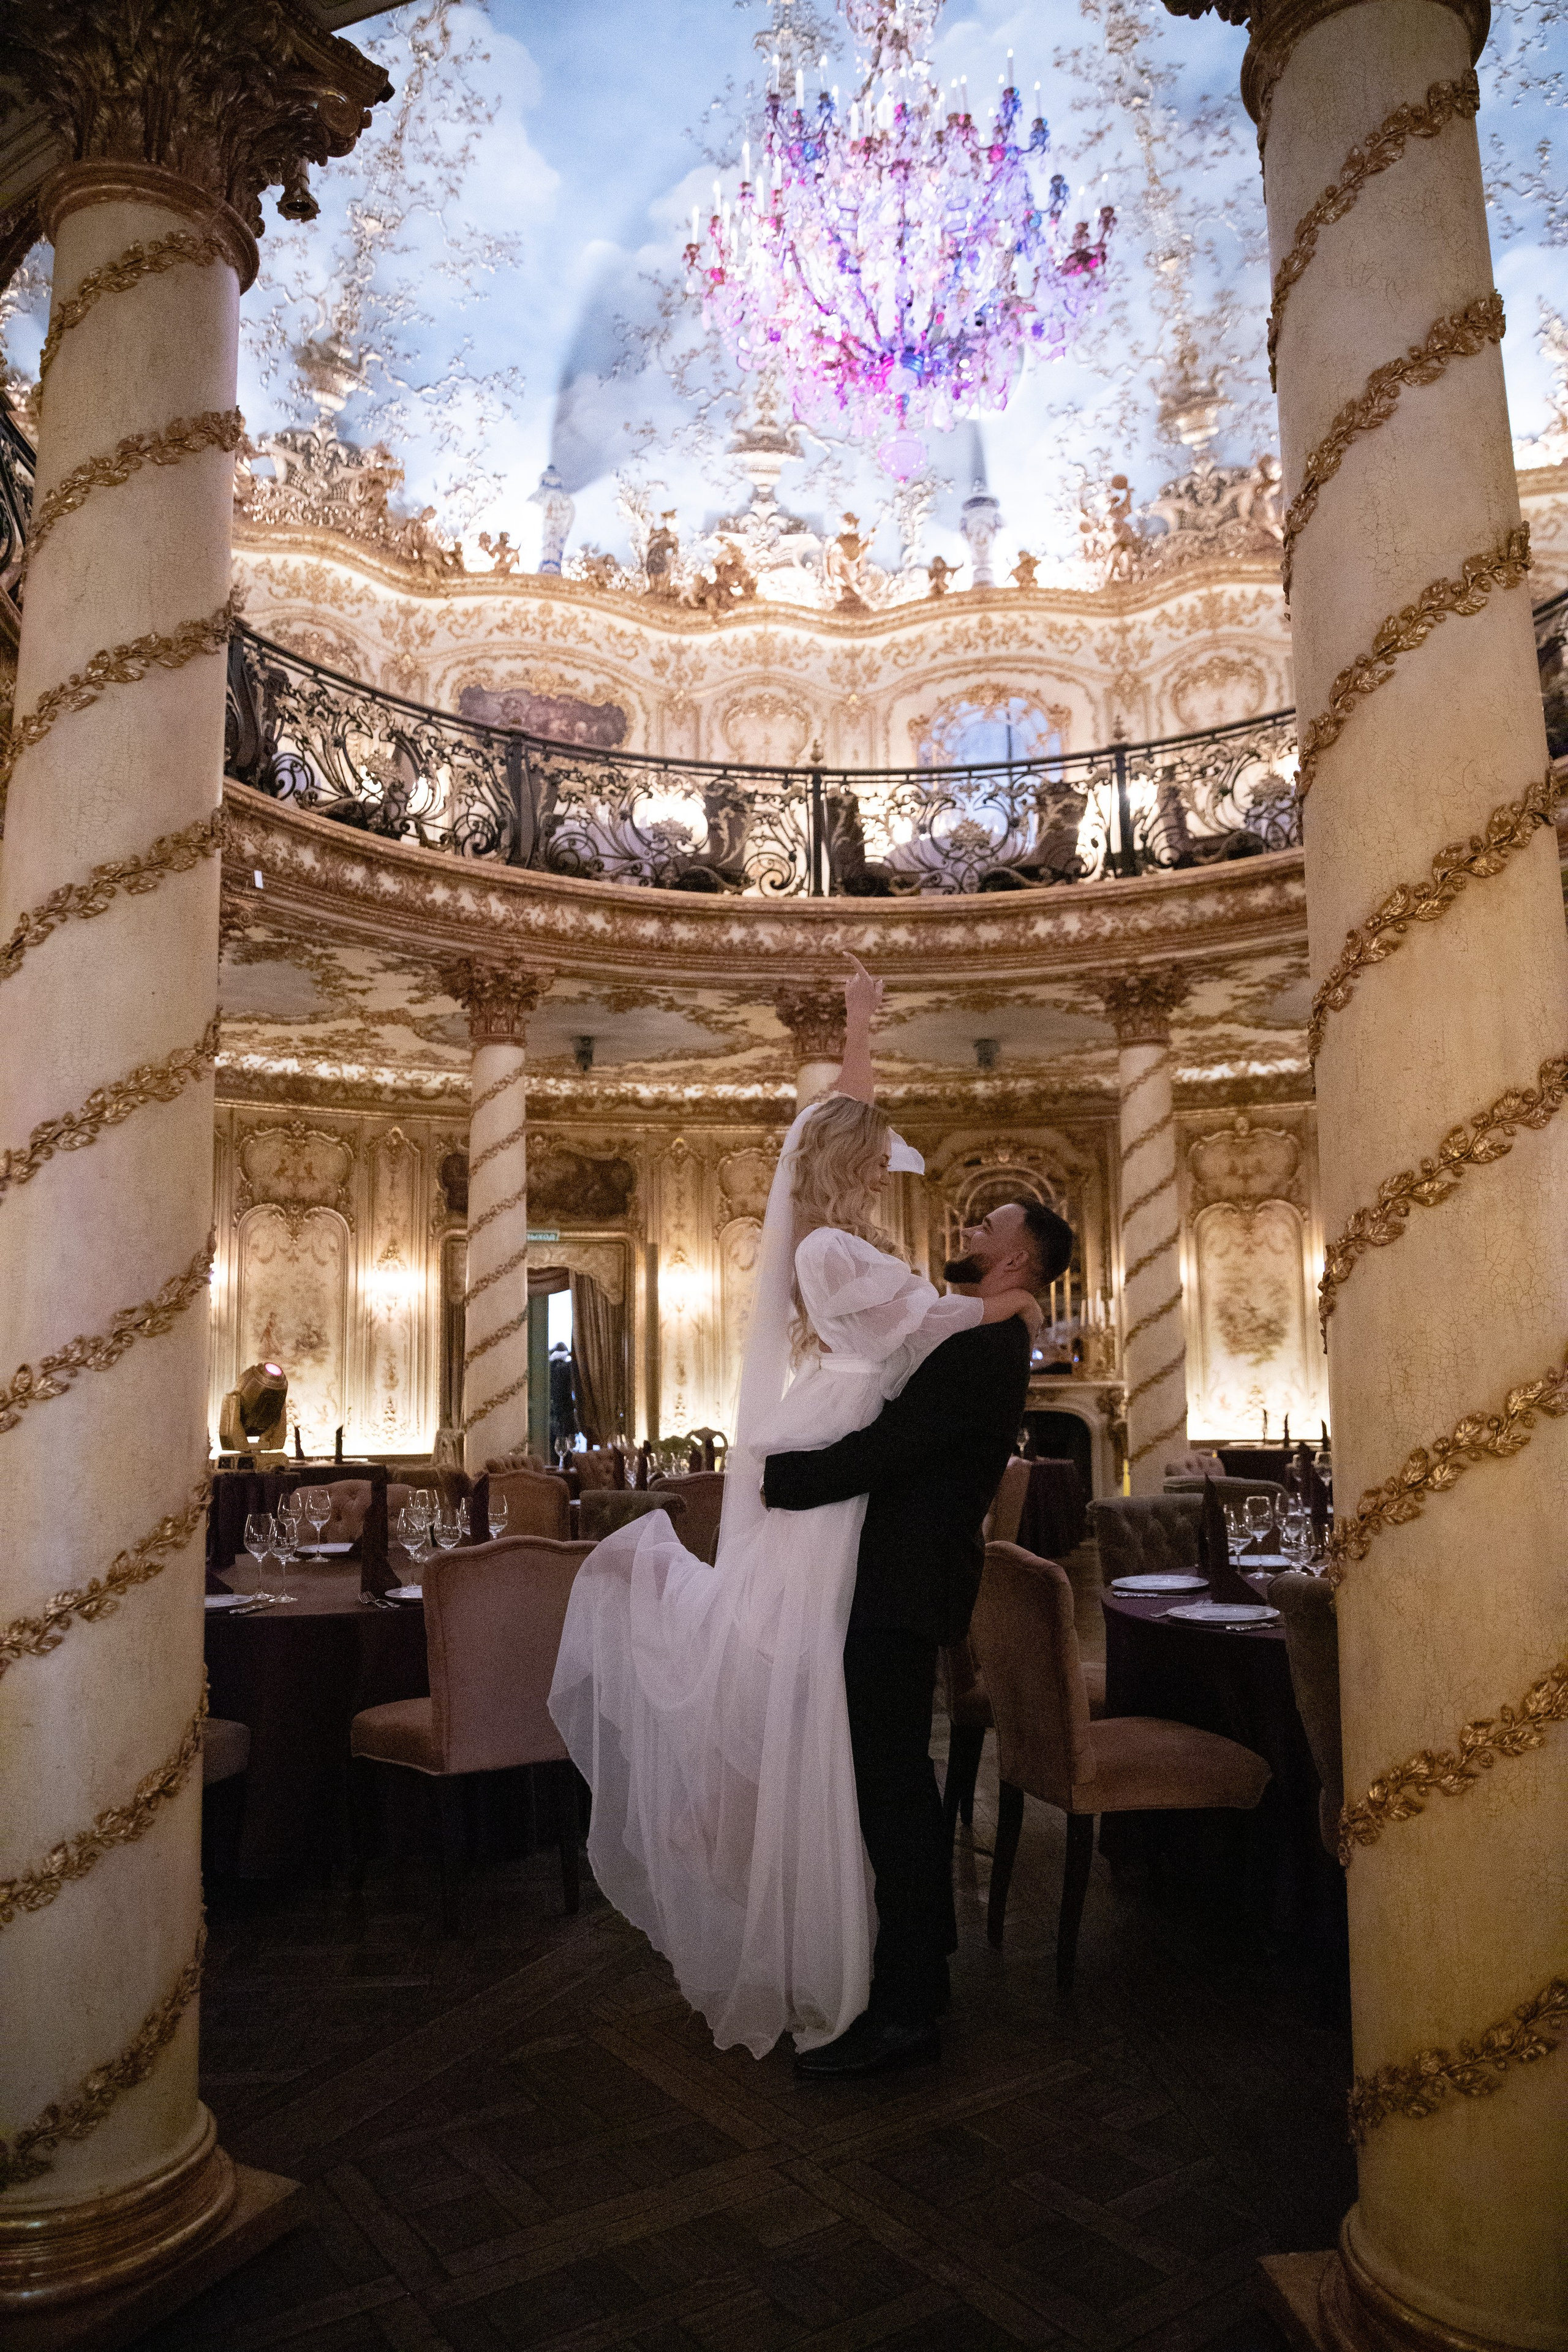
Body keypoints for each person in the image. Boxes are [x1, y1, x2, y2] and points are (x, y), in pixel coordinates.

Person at [548, 959, 1043, 2057]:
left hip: (855, 1512)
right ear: (838, 1169)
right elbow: (928, 1322)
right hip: (841, 1498)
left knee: (868, 1758)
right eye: (870, 1164)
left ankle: (889, 1971)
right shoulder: (833, 1250)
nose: (883, 1177)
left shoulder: (854, 1249)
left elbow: (914, 1334)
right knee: (859, 1753)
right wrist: (1012, 1297)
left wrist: (866, 1021)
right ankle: (874, 1962)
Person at [763, 1189, 1074, 2079]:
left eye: (987, 1229)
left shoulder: (984, 1347)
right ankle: (920, 1972)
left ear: (1017, 1260)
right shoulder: (984, 1329)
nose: (969, 1234)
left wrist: (776, 1479)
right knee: (895, 1776)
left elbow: (894, 1445)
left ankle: (905, 2012)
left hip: (900, 1587)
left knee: (889, 1782)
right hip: (901, 1582)